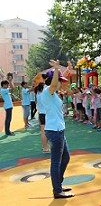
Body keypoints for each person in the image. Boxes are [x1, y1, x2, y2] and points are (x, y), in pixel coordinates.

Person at [40, 60, 74, 198]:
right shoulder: (48, 91)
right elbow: (54, 83)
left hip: (58, 130)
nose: (61, 83)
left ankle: (58, 185)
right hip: (54, 131)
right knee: (56, 161)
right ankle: (57, 191)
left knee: (65, 158)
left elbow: (58, 81)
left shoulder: (51, 93)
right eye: (61, 80)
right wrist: (55, 68)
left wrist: (65, 69)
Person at [35, 82, 50, 153]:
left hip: (41, 113)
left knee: (44, 131)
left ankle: (45, 145)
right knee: (45, 132)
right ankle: (45, 147)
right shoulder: (44, 94)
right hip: (45, 114)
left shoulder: (38, 93)